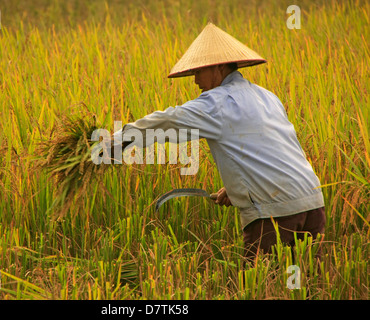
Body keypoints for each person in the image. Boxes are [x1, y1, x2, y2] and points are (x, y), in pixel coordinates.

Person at [112, 23, 326, 261]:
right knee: (306, 283)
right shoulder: (267, 96)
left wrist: (116, 141)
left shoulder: (217, 103)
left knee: (261, 286)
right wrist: (238, 189)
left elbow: (168, 121)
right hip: (312, 203)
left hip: (274, 213)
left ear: (219, 66)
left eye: (197, 73)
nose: (195, 81)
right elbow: (273, 150)